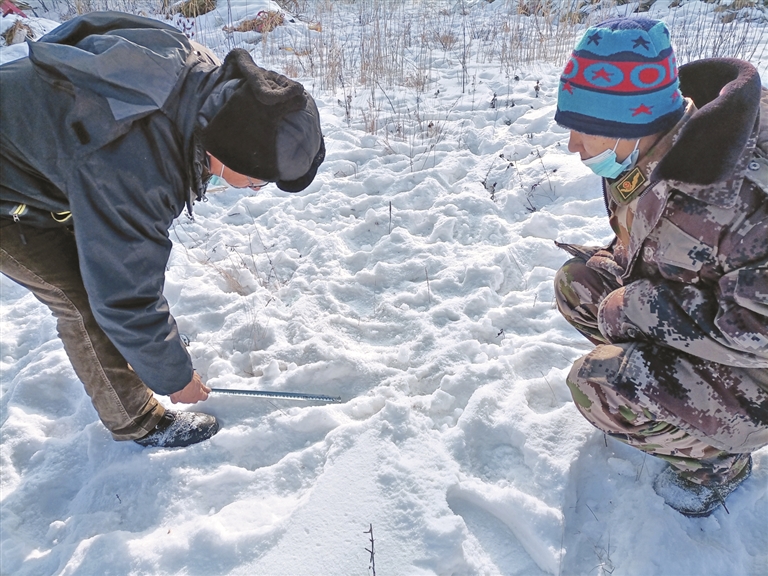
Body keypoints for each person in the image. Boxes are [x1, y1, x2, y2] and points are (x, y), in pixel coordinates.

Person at [0, 12, 325, 448]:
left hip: (51, 160)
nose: (255, 188)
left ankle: (143, 351)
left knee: (109, 276)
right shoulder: (138, 164)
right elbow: (123, 294)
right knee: (83, 299)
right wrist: (173, 377)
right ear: (231, 155)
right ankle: (137, 420)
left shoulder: (203, 79)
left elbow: (88, 27)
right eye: (257, 179)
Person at [553, 17, 767, 517]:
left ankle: (718, 465)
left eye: (584, 131)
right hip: (691, 316)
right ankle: (673, 402)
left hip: (757, 363)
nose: (573, 147)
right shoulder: (647, 144)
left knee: (599, 385)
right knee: (577, 285)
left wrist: (639, 309)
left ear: (630, 125)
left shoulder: (747, 196)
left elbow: (758, 327)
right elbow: (655, 242)